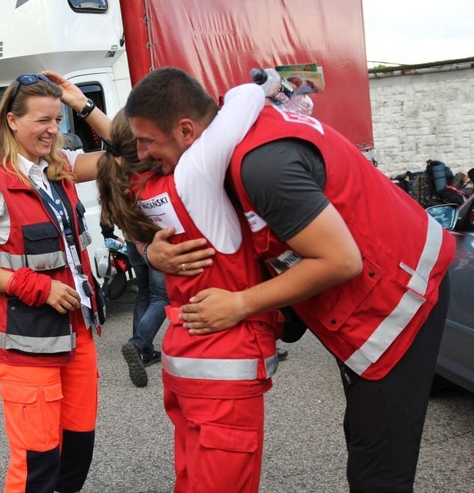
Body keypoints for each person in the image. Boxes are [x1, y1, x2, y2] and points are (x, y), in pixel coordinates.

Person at [145, 72, 455, 492]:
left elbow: (339, 260)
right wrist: (153, 252)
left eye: (147, 142)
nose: (142, 154)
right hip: (381, 279)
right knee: (363, 436)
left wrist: (238, 305)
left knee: (378, 466)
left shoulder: (261, 165)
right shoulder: (230, 134)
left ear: (186, 130)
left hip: (400, 299)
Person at [97, 72, 278, 492]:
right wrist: (267, 83)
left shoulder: (141, 187)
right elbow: (245, 97)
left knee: (192, 480)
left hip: (188, 363)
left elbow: (125, 148)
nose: (145, 148)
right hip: (225, 365)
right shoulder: (193, 173)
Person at [0, 70, 109, 493]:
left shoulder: (62, 168)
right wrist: (36, 286)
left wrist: (81, 104)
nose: (53, 130)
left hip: (78, 337)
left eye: (58, 120)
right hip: (25, 346)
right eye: (43, 120)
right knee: (37, 467)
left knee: (76, 457)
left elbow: (134, 156)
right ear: (12, 121)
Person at [100, 221, 168, 387]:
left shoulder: (114, 194)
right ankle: (138, 344)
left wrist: (108, 234)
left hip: (131, 240)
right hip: (153, 240)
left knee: (144, 292)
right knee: (161, 297)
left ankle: (145, 353)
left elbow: (107, 212)